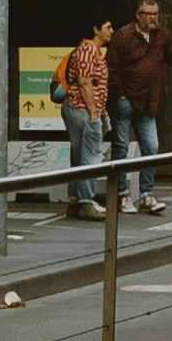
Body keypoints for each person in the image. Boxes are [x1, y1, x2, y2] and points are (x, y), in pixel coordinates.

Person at [107, 0, 172, 215]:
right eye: (149, 14)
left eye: (156, 13)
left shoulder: (161, 35)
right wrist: (120, 94)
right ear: (138, 15)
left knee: (151, 148)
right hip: (125, 102)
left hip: (148, 102)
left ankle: (146, 195)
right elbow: (112, 68)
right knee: (121, 148)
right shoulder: (124, 35)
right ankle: (122, 195)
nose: (153, 18)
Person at [55, 18, 113, 217]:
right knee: (90, 156)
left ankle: (75, 201)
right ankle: (86, 202)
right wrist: (94, 112)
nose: (111, 31)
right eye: (107, 27)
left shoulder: (89, 51)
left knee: (79, 156)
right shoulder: (88, 51)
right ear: (95, 29)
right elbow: (84, 82)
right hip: (82, 109)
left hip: (78, 109)